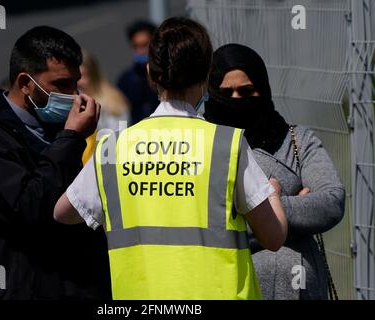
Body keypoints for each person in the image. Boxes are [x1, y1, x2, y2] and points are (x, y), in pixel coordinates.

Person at [54, 17, 287, 300]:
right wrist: (272, 193)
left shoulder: (113, 147)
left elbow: (64, 212)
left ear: (151, 73)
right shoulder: (226, 144)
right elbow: (274, 238)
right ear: (206, 74)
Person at [0, 26, 111, 300]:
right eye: (61, 84)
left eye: (75, 82)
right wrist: (70, 138)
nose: (73, 94)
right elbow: (29, 207)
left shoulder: (54, 122)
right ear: (25, 83)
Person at [204, 43, 345, 300]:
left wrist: (273, 206)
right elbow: (206, 224)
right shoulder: (202, 144)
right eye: (226, 93)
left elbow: (332, 202)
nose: (236, 100)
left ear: (263, 89)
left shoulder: (296, 140)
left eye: (246, 91)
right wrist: (282, 213)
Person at [78, 50, 130, 164]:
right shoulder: (74, 103)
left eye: (83, 76)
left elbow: (115, 143)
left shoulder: (113, 102)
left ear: (94, 74)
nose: (79, 83)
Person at [117, 20, 159, 125]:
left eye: (145, 45)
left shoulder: (166, 77)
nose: (140, 51)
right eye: (136, 46)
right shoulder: (125, 81)